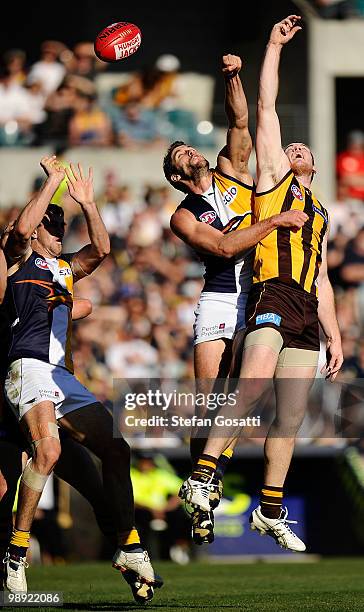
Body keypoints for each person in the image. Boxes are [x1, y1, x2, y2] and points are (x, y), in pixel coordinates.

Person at [179, 16, 343, 553]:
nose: (294, 148)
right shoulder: (272, 183)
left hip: (304, 311)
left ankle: (270, 509)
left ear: (314, 166)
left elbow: (321, 277)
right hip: (268, 292)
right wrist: (272, 46)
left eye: (303, 150)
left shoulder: (319, 212)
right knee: (248, 387)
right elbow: (264, 110)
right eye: (290, 147)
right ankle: (203, 474)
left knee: (291, 414)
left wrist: (336, 336)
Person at [2, 156, 162, 600]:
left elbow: (103, 250)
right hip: (26, 368)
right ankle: (17, 554)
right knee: (47, 453)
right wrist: (53, 182)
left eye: (61, 226)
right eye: (51, 225)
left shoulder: (64, 268)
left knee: (115, 449)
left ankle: (129, 549)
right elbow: (18, 233)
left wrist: (89, 205)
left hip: (60, 378)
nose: (58, 231)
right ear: (35, 228)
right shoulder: (17, 261)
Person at [164, 54, 308, 545]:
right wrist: (272, 223)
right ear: (176, 174)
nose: (190, 152)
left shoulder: (232, 169)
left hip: (262, 289)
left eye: (189, 147)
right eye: (181, 153)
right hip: (223, 298)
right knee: (210, 405)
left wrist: (233, 78)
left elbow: (240, 120)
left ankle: (208, 479)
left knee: (245, 400)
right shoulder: (183, 216)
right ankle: (199, 490)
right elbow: (225, 247)